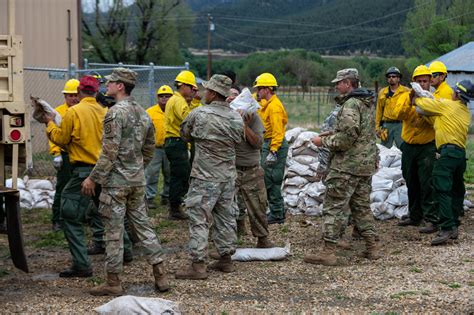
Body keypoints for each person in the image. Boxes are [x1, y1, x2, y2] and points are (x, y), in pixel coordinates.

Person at [83, 68, 169, 295]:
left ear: (120, 86)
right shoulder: (143, 112)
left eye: (110, 82)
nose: (107, 86)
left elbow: (109, 152)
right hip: (136, 181)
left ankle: (113, 282)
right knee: (143, 226)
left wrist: (93, 178)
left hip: (116, 183)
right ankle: (160, 275)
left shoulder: (114, 113)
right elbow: (149, 147)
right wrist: (138, 166)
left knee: (113, 231)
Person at [304, 69, 380, 266]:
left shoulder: (350, 105)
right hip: (364, 165)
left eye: (339, 83)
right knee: (361, 206)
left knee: (333, 206)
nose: (336, 86)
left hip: (347, 166)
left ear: (348, 83)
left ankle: (328, 251)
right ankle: (372, 247)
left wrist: (323, 141)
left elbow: (346, 140)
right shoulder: (368, 103)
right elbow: (364, 133)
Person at [175, 74, 244, 280]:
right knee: (226, 216)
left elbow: (185, 135)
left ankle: (198, 265)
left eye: (207, 90)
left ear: (213, 93)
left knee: (199, 218)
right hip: (228, 176)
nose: (204, 93)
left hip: (205, 176)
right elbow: (239, 140)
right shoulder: (235, 117)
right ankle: (225, 259)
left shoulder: (199, 114)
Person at [44, 76, 106, 278]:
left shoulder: (73, 112)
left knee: (69, 215)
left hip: (83, 172)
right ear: (96, 92)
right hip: (104, 170)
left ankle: (82, 264)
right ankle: (126, 251)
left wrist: (50, 124)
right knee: (108, 211)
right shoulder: (105, 112)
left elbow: (61, 139)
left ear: (79, 92)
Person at [413, 80, 472, 245]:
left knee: (441, 188)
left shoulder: (447, 105)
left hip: (447, 153)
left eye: (454, 91)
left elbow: (424, 103)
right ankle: (454, 225)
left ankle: (446, 227)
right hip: (459, 154)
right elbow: (440, 121)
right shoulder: (465, 112)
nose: (452, 92)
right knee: (456, 190)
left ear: (458, 94)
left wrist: (415, 97)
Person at [228, 86, 273, 248]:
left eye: (235, 95)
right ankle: (225, 242)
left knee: (258, 206)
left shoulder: (253, 118)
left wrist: (244, 126)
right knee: (224, 206)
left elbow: (258, 144)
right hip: (230, 169)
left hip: (251, 169)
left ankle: (262, 238)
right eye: (229, 96)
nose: (231, 98)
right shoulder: (225, 118)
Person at [395, 65, 438, 232]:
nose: (422, 84)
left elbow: (436, 121)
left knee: (427, 182)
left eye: (425, 81)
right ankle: (415, 216)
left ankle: (431, 218)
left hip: (427, 146)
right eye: (419, 81)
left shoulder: (433, 98)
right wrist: (411, 99)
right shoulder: (405, 96)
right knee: (410, 180)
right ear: (414, 82)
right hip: (409, 146)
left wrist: (424, 108)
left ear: (430, 82)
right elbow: (398, 114)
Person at [254, 73, 288, 224]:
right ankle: (277, 209)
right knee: (267, 177)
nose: (257, 92)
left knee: (272, 179)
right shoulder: (266, 104)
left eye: (259, 89)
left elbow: (278, 131)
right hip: (268, 143)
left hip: (275, 144)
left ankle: (277, 214)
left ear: (267, 89)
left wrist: (273, 150)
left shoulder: (274, 107)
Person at [164, 70, 198, 220]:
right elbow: (189, 118)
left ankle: (175, 205)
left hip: (175, 142)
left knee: (180, 175)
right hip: (176, 141)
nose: (193, 91)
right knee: (181, 175)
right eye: (192, 88)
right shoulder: (178, 101)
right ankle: (175, 208)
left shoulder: (176, 100)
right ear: (184, 86)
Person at [49, 79, 80, 232]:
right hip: (65, 155)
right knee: (63, 187)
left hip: (80, 154)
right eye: (70, 95)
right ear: (65, 96)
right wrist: (56, 153)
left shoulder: (82, 110)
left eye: (76, 95)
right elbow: (53, 134)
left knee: (80, 187)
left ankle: (77, 216)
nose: (73, 98)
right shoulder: (57, 112)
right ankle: (57, 219)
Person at [145, 85, 172, 209]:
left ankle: (166, 196)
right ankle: (149, 197)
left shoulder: (174, 110)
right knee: (151, 173)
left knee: (169, 173)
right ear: (157, 98)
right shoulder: (150, 112)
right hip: (155, 148)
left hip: (170, 147)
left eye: (167, 96)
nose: (164, 98)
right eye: (162, 96)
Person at [375, 67, 408, 148]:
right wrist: (377, 128)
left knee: (403, 148)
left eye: (394, 76)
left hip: (401, 124)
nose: (391, 78)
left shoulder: (406, 91)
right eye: (389, 77)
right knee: (384, 149)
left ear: (398, 78)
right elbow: (379, 111)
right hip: (387, 125)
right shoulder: (382, 92)